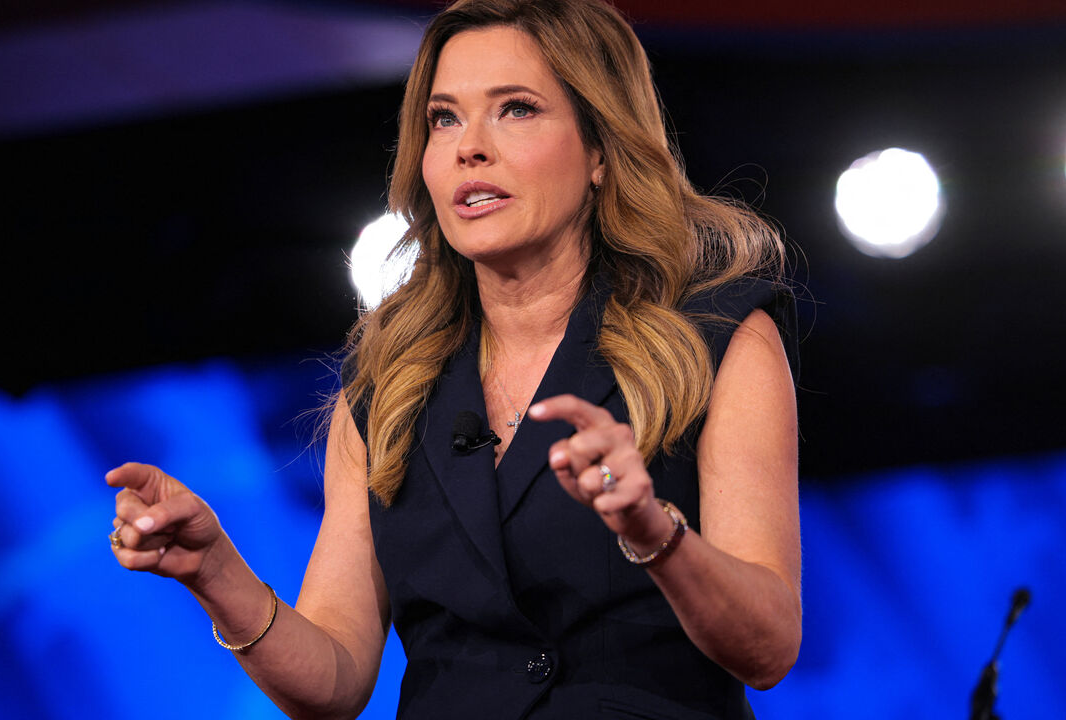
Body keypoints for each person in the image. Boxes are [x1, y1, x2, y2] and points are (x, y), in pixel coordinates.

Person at [107, 0, 801, 717]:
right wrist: (215, 571)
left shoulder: (715, 341)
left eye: (517, 110)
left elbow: (769, 645)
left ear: (600, 151)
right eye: (445, 118)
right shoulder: (389, 381)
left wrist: (654, 533)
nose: (470, 146)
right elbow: (336, 679)